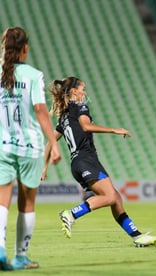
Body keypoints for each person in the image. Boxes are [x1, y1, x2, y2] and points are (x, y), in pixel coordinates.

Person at [42, 76, 156, 247]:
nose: (85, 92)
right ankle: (71, 214)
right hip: (86, 159)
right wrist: (114, 129)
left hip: (77, 164)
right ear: (74, 91)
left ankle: (137, 236)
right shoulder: (80, 106)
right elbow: (86, 126)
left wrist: (44, 167)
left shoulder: (64, 117)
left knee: (116, 197)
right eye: (82, 89)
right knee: (110, 196)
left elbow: (50, 143)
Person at [0, 27, 61, 271]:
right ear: (25, 48)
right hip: (30, 147)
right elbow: (39, 110)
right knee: (27, 203)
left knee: (2, 200)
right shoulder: (34, 75)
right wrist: (54, 143)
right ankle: (21, 256)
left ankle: (0, 248)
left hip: (3, 145)